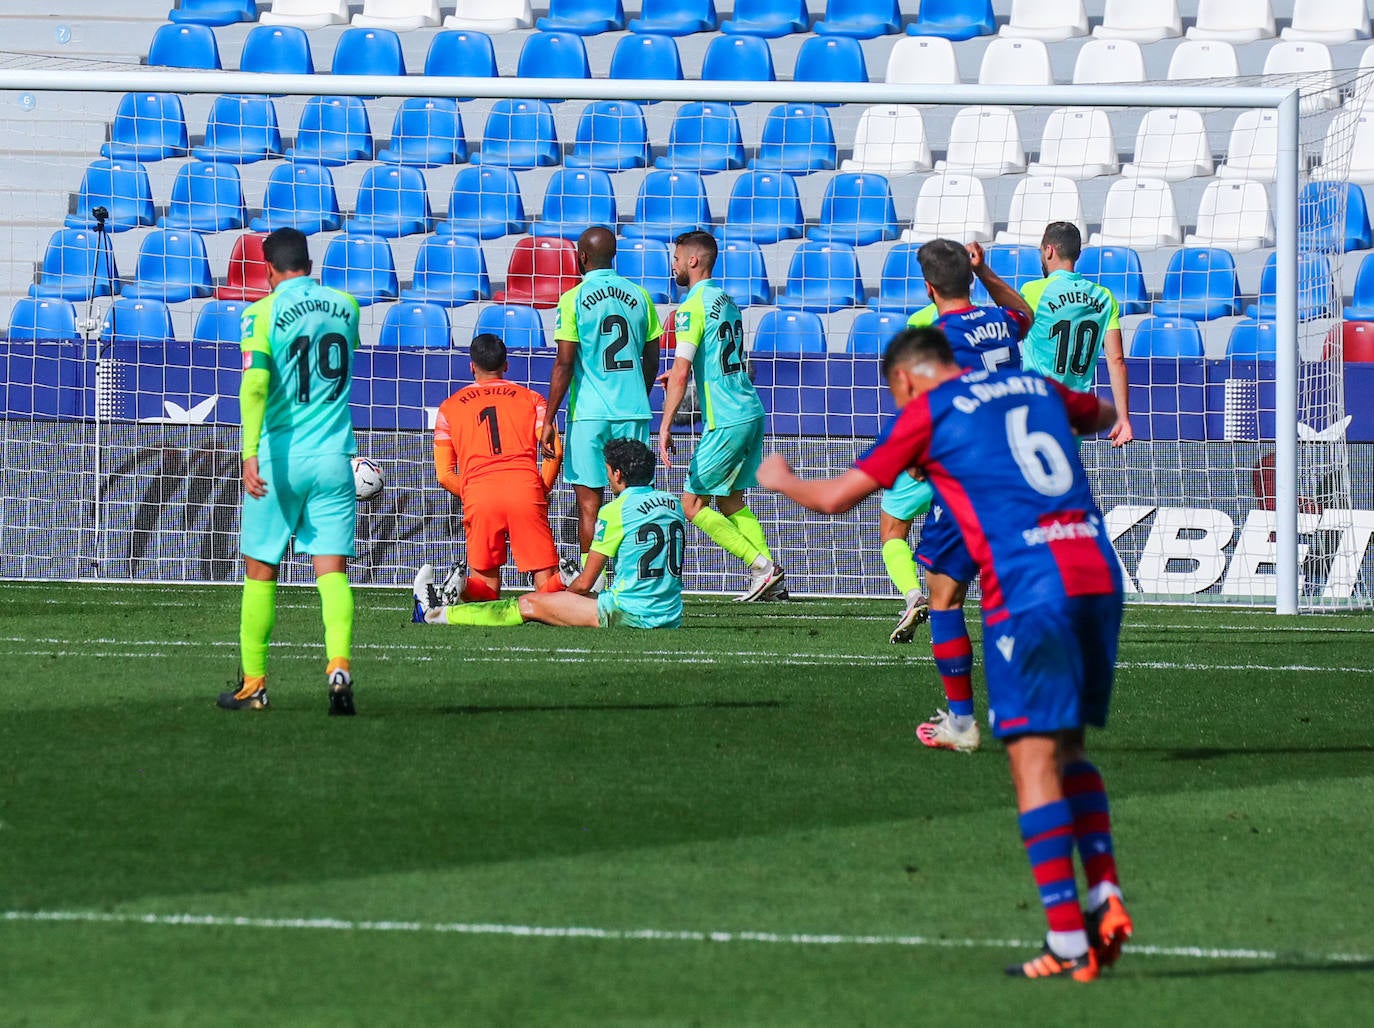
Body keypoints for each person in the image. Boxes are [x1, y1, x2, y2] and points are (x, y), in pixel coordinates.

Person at [757, 326, 1131, 982]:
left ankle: (1069, 936)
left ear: (905, 380)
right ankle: (1102, 890)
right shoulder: (1034, 383)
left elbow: (838, 499)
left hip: (1029, 584)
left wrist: (781, 477)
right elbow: (1099, 413)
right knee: (1069, 747)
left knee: (1031, 763)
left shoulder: (927, 410)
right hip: (1096, 573)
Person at [891, 239, 1034, 752]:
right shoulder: (1001, 322)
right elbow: (1025, 313)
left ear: (929, 289)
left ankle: (961, 723)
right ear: (970, 278)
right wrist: (989, 271)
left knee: (946, 597)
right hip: (1019, 476)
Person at [219, 227, 360, 716]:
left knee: (260, 570)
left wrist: (248, 451)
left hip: (281, 457)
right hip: (334, 458)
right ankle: (338, 664)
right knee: (331, 572)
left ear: (269, 269)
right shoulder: (347, 306)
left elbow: (256, 384)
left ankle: (254, 684)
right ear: (308, 262)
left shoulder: (259, 312)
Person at [414, 439, 685, 630]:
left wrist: (562, 595)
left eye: (608, 471)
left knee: (530, 603)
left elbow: (585, 583)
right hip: (670, 615)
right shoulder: (674, 505)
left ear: (617, 473)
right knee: (562, 598)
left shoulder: (616, 511)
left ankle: (434, 614)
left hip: (629, 613)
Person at [658, 230, 785, 602]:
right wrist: (691, 370)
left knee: (692, 504)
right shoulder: (728, 300)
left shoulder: (690, 306)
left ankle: (761, 566)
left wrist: (665, 426)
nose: (674, 264)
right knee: (731, 499)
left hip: (726, 418)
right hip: (749, 409)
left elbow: (681, 371)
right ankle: (771, 579)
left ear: (694, 261)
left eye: (678, 258)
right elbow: (716, 356)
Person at [543, 226, 663, 585]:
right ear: (614, 257)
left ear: (581, 257)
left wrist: (549, 418)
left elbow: (564, 363)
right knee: (634, 503)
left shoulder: (573, 299)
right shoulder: (641, 296)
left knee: (589, 505)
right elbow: (653, 359)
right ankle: (633, 579)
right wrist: (635, 392)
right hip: (633, 411)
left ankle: (592, 584)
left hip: (590, 415)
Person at [416, 332, 567, 616]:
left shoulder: (449, 408)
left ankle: (459, 586)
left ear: (472, 366)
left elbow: (444, 474)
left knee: (485, 588)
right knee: (545, 584)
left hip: (480, 494)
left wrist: (474, 490)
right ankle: (567, 578)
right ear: (506, 365)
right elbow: (555, 451)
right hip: (524, 488)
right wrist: (540, 487)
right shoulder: (532, 399)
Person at [1019, 221, 1133, 446]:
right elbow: (1116, 360)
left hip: (1036, 407)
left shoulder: (1032, 292)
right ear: (1077, 254)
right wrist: (1124, 418)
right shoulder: (1104, 297)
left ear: (1048, 250)